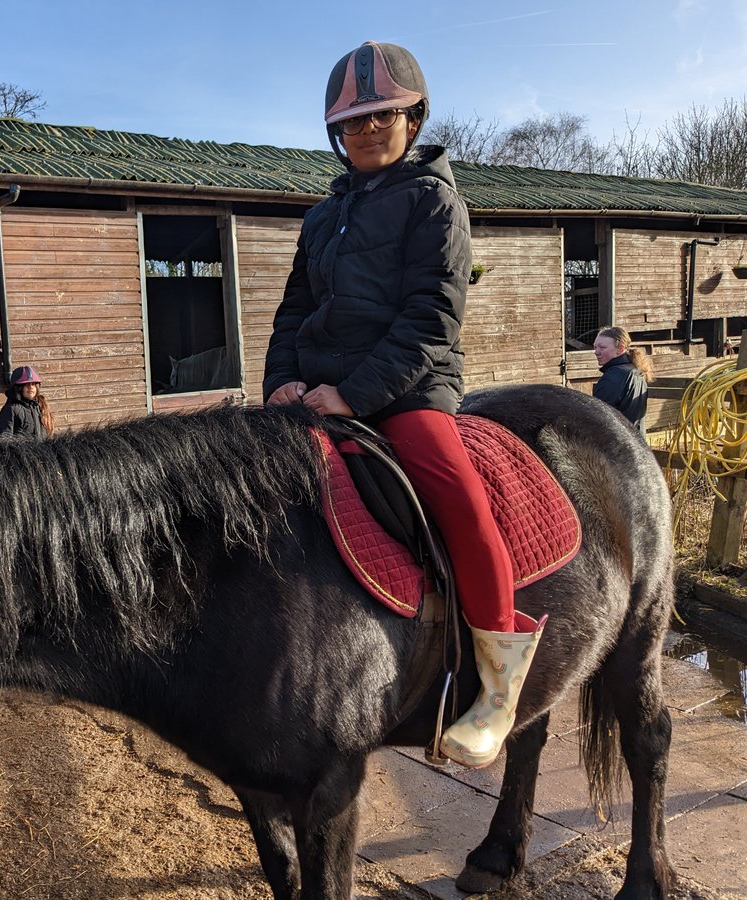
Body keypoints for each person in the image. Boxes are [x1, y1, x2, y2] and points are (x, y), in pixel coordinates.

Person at [263, 41, 545, 770]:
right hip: (316, 388)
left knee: (459, 496)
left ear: (414, 118)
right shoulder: (323, 216)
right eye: (353, 124)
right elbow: (294, 308)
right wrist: (281, 381)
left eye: (380, 118)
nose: (366, 133)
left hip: (405, 387)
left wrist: (352, 393)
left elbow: (430, 321)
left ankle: (496, 689)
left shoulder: (436, 203)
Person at [592, 325, 653, 439]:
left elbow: (598, 415)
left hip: (619, 444)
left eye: (602, 347)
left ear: (620, 348)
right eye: (595, 347)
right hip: (637, 441)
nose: (596, 352)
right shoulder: (637, 370)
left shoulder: (614, 375)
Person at [0, 365, 55, 441]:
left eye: (33, 384)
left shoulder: (39, 408)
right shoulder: (10, 410)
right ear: (18, 388)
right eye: (26, 384)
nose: (31, 387)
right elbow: (4, 443)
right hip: (20, 453)